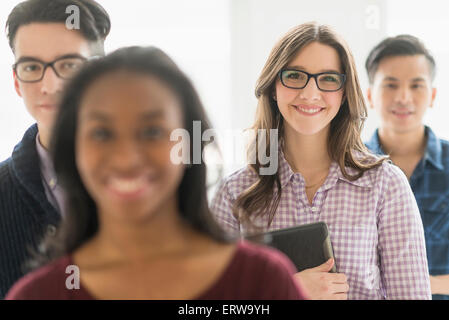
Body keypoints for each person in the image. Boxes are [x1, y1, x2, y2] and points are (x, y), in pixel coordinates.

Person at [5, 46, 308, 300]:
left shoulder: (261, 283)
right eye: (101, 133)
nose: (126, 158)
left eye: (152, 131)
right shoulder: (39, 295)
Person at [211, 22, 431, 300]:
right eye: (294, 75)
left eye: (328, 79)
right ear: (274, 86)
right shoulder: (234, 193)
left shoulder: (386, 185)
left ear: (344, 92)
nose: (310, 93)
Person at [0, 0, 110, 298]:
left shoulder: (154, 179)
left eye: (69, 65)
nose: (50, 85)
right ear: (17, 81)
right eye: (32, 66)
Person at [365, 35, 449, 300]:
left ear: (433, 95)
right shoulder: (347, 169)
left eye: (416, 85)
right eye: (390, 85)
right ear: (370, 95)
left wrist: (421, 284)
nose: (403, 97)